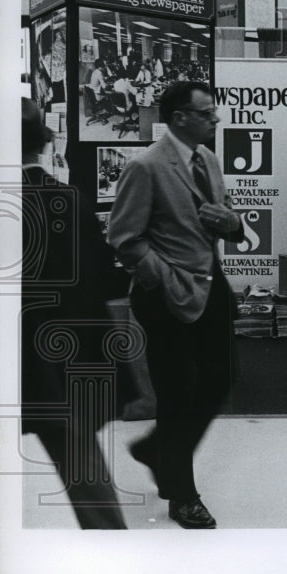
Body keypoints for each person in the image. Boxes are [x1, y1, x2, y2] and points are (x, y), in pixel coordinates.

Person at [107, 81, 244, 529]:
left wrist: (233, 224)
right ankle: (182, 495)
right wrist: (162, 278)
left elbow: (223, 220)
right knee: (177, 391)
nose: (216, 119)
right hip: (165, 294)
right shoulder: (146, 167)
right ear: (180, 117)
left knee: (220, 378)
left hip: (211, 285)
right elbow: (124, 238)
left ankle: (155, 449)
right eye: (207, 113)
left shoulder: (208, 160)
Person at [20, 98, 129, 529]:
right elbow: (95, 287)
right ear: (43, 143)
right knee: (87, 478)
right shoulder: (69, 199)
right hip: (53, 368)